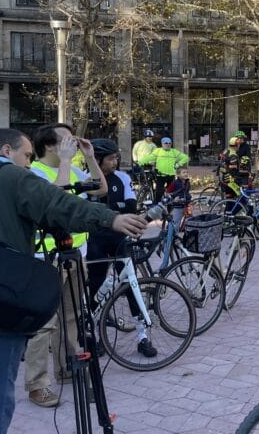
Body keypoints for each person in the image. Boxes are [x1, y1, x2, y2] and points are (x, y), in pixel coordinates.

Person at [0, 128, 147, 434]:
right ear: (6, 151)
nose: (28, 162)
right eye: (25, 156)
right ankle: (37, 384)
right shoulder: (11, 176)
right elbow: (56, 203)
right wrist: (111, 219)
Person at [24, 123, 107, 408]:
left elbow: (100, 189)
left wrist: (91, 157)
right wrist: (69, 160)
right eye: (66, 140)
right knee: (44, 323)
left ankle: (66, 367)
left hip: (75, 254)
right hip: (46, 258)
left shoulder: (72, 169)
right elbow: (54, 201)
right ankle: (37, 384)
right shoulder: (34, 173)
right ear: (49, 146)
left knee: (71, 316)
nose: (72, 144)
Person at [84, 138, 157, 358]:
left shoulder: (122, 178)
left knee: (131, 287)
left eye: (117, 157)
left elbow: (132, 206)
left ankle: (143, 337)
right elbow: (84, 210)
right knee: (94, 289)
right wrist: (117, 210)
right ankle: (94, 336)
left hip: (119, 239)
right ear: (97, 159)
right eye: (111, 158)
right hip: (95, 241)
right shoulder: (85, 179)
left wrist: (109, 210)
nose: (115, 161)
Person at [142, 137, 189, 202]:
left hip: (171, 175)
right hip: (160, 176)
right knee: (159, 193)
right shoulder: (158, 151)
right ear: (162, 144)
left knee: (171, 193)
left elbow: (186, 158)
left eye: (170, 143)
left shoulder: (174, 151)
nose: (168, 144)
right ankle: (157, 207)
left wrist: (178, 164)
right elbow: (149, 158)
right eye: (166, 143)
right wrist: (140, 162)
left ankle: (169, 208)